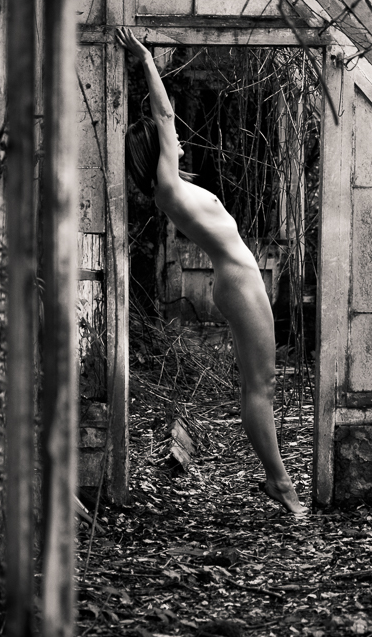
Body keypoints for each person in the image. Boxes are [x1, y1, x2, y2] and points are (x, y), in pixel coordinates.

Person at [115, 27, 307, 516]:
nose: (177, 138)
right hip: (238, 282)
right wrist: (145, 59)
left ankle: (277, 479)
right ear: (157, 150)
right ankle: (281, 484)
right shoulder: (167, 187)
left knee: (259, 385)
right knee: (260, 387)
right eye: (168, 139)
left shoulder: (174, 189)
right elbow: (164, 115)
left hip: (237, 280)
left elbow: (167, 123)